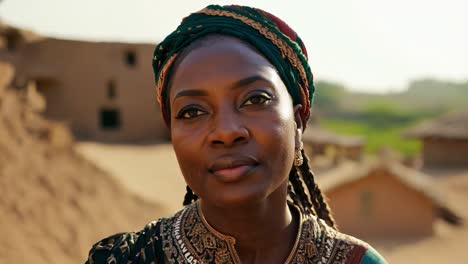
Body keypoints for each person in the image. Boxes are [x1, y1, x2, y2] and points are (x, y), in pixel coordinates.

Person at [86, 4, 387, 264]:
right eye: (192, 111)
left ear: (297, 123)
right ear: (173, 136)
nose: (226, 132)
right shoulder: (129, 258)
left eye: (255, 99)